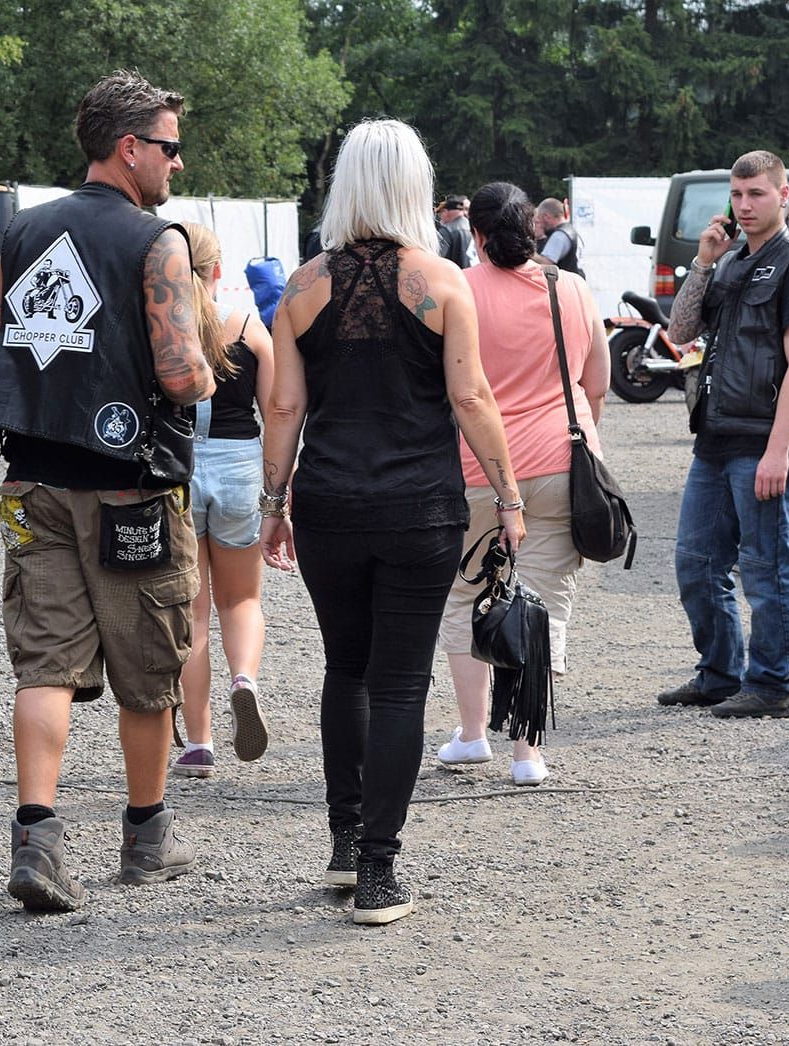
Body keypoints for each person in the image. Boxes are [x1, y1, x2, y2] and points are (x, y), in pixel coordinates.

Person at [262, 119, 525, 926]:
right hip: (419, 509)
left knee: (345, 670)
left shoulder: (301, 287)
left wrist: (272, 505)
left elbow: (283, 407)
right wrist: (509, 499)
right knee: (401, 684)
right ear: (415, 187)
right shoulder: (442, 282)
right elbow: (470, 398)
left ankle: (345, 845)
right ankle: (379, 873)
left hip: (329, 506)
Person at [0, 70, 215, 912]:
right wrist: (212, 358)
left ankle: (37, 839)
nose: (176, 163)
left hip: (32, 480)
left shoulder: (21, 232)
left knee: (44, 664)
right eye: (169, 147)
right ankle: (147, 838)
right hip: (130, 493)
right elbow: (182, 376)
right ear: (129, 148)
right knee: (147, 667)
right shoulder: (158, 243)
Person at [434, 182, 610, 786]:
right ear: (535, 227)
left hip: (477, 466)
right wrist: (577, 434)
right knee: (543, 602)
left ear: (475, 233)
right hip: (561, 462)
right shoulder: (573, 288)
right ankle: (527, 753)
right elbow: (596, 384)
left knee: (465, 596)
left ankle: (472, 734)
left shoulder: (458, 289)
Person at [657, 150, 789, 720]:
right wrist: (703, 263)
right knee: (696, 562)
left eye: (756, 193)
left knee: (766, 566)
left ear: (784, 195)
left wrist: (778, 452)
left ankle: (772, 686)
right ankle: (719, 674)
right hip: (715, 437)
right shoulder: (730, 260)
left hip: (763, 442)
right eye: (737, 195)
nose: (745, 205)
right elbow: (681, 331)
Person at [171, 222, 274, 778]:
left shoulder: (159, 329)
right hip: (240, 470)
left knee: (192, 611)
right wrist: (280, 496)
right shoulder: (250, 328)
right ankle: (245, 680)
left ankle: (199, 743)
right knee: (243, 600)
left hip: (179, 471)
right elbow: (280, 413)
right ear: (217, 270)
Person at [533, 198, 583, 278]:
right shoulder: (570, 230)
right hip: (575, 280)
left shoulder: (559, 236)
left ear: (546, 216)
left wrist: (526, 252)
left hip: (566, 282)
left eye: (540, 219)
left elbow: (545, 263)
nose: (541, 225)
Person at [437, 195, 477, 267]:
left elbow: (438, 259)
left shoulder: (447, 230)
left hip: (453, 273)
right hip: (474, 272)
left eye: (440, 212)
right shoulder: (475, 228)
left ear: (445, 211)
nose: (440, 216)